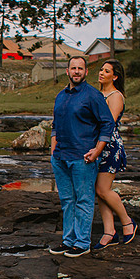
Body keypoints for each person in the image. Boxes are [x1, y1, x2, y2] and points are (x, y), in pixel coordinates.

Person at [48, 56, 115, 257]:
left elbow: (107, 124)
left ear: (86, 72)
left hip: (83, 157)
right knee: (67, 200)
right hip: (60, 157)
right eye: (73, 68)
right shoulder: (60, 96)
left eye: (80, 68)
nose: (76, 71)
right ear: (67, 72)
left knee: (83, 200)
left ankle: (82, 243)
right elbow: (55, 124)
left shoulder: (93, 95)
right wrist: (53, 151)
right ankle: (68, 240)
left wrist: (97, 150)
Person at [92, 59, 137, 249]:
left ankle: (128, 222)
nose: (101, 73)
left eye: (107, 71)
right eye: (101, 69)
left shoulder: (115, 96)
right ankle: (109, 232)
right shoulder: (97, 94)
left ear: (115, 76)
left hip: (108, 145)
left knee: (103, 189)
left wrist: (98, 146)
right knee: (98, 191)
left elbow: (108, 124)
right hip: (94, 144)